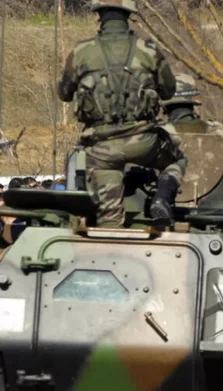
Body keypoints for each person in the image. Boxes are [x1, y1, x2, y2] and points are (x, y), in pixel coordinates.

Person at [58, 0, 185, 226]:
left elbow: (64, 93)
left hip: (101, 149)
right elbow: (169, 90)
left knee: (109, 220)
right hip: (144, 142)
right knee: (178, 160)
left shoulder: (81, 51)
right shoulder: (149, 50)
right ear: (129, 16)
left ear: (99, 15)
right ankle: (162, 199)